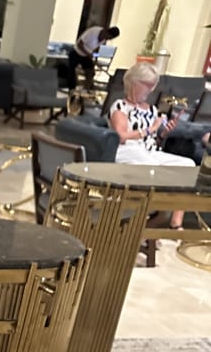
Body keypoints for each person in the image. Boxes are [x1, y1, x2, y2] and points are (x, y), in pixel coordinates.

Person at [109, 61, 195, 227]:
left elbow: (153, 141)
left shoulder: (151, 110)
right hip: (126, 150)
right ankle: (151, 215)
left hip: (147, 151)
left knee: (188, 165)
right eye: (147, 84)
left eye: (153, 85)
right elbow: (121, 136)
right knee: (153, 167)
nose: (151, 89)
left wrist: (163, 133)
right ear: (133, 83)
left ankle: (175, 221)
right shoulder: (120, 106)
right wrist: (150, 129)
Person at [66, 24, 119, 90]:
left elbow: (94, 49)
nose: (106, 39)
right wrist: (88, 54)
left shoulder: (104, 39)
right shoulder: (93, 32)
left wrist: (93, 55)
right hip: (76, 52)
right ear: (106, 32)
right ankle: (71, 90)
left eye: (109, 39)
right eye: (108, 37)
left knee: (91, 72)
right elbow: (79, 44)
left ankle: (86, 89)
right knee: (71, 71)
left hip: (86, 56)